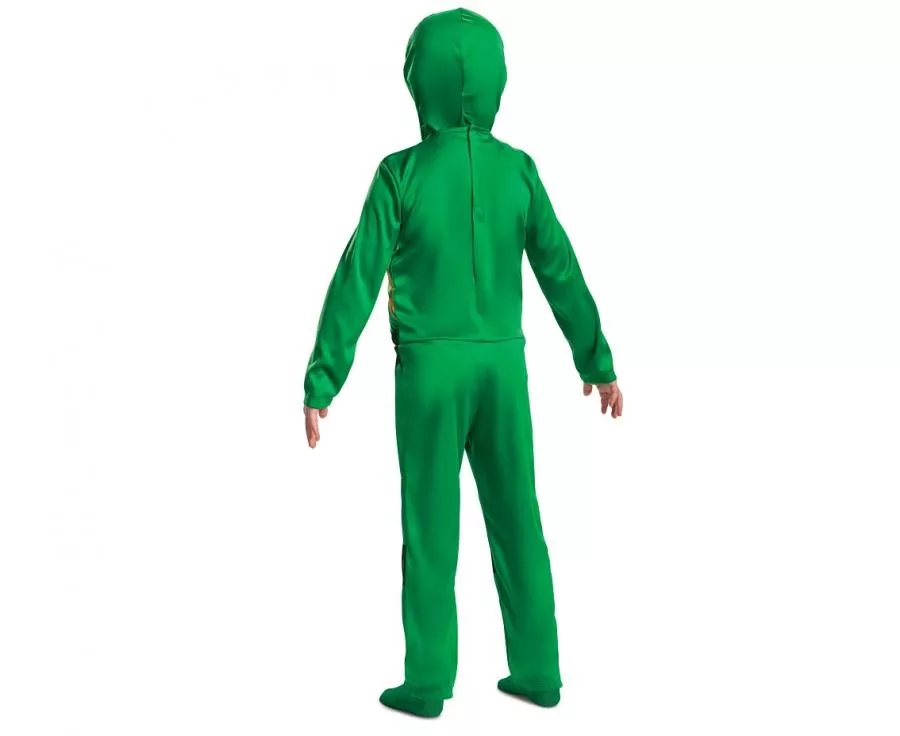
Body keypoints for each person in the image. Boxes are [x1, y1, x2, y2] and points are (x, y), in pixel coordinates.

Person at [302, 7, 622, 718]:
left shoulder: (400, 174)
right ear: (498, 80)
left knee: (430, 525)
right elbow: (559, 268)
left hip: (429, 370)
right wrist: (596, 359)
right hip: (503, 367)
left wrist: (324, 377)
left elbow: (357, 276)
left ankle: (426, 683)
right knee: (518, 518)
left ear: (418, 82)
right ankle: (538, 671)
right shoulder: (519, 170)